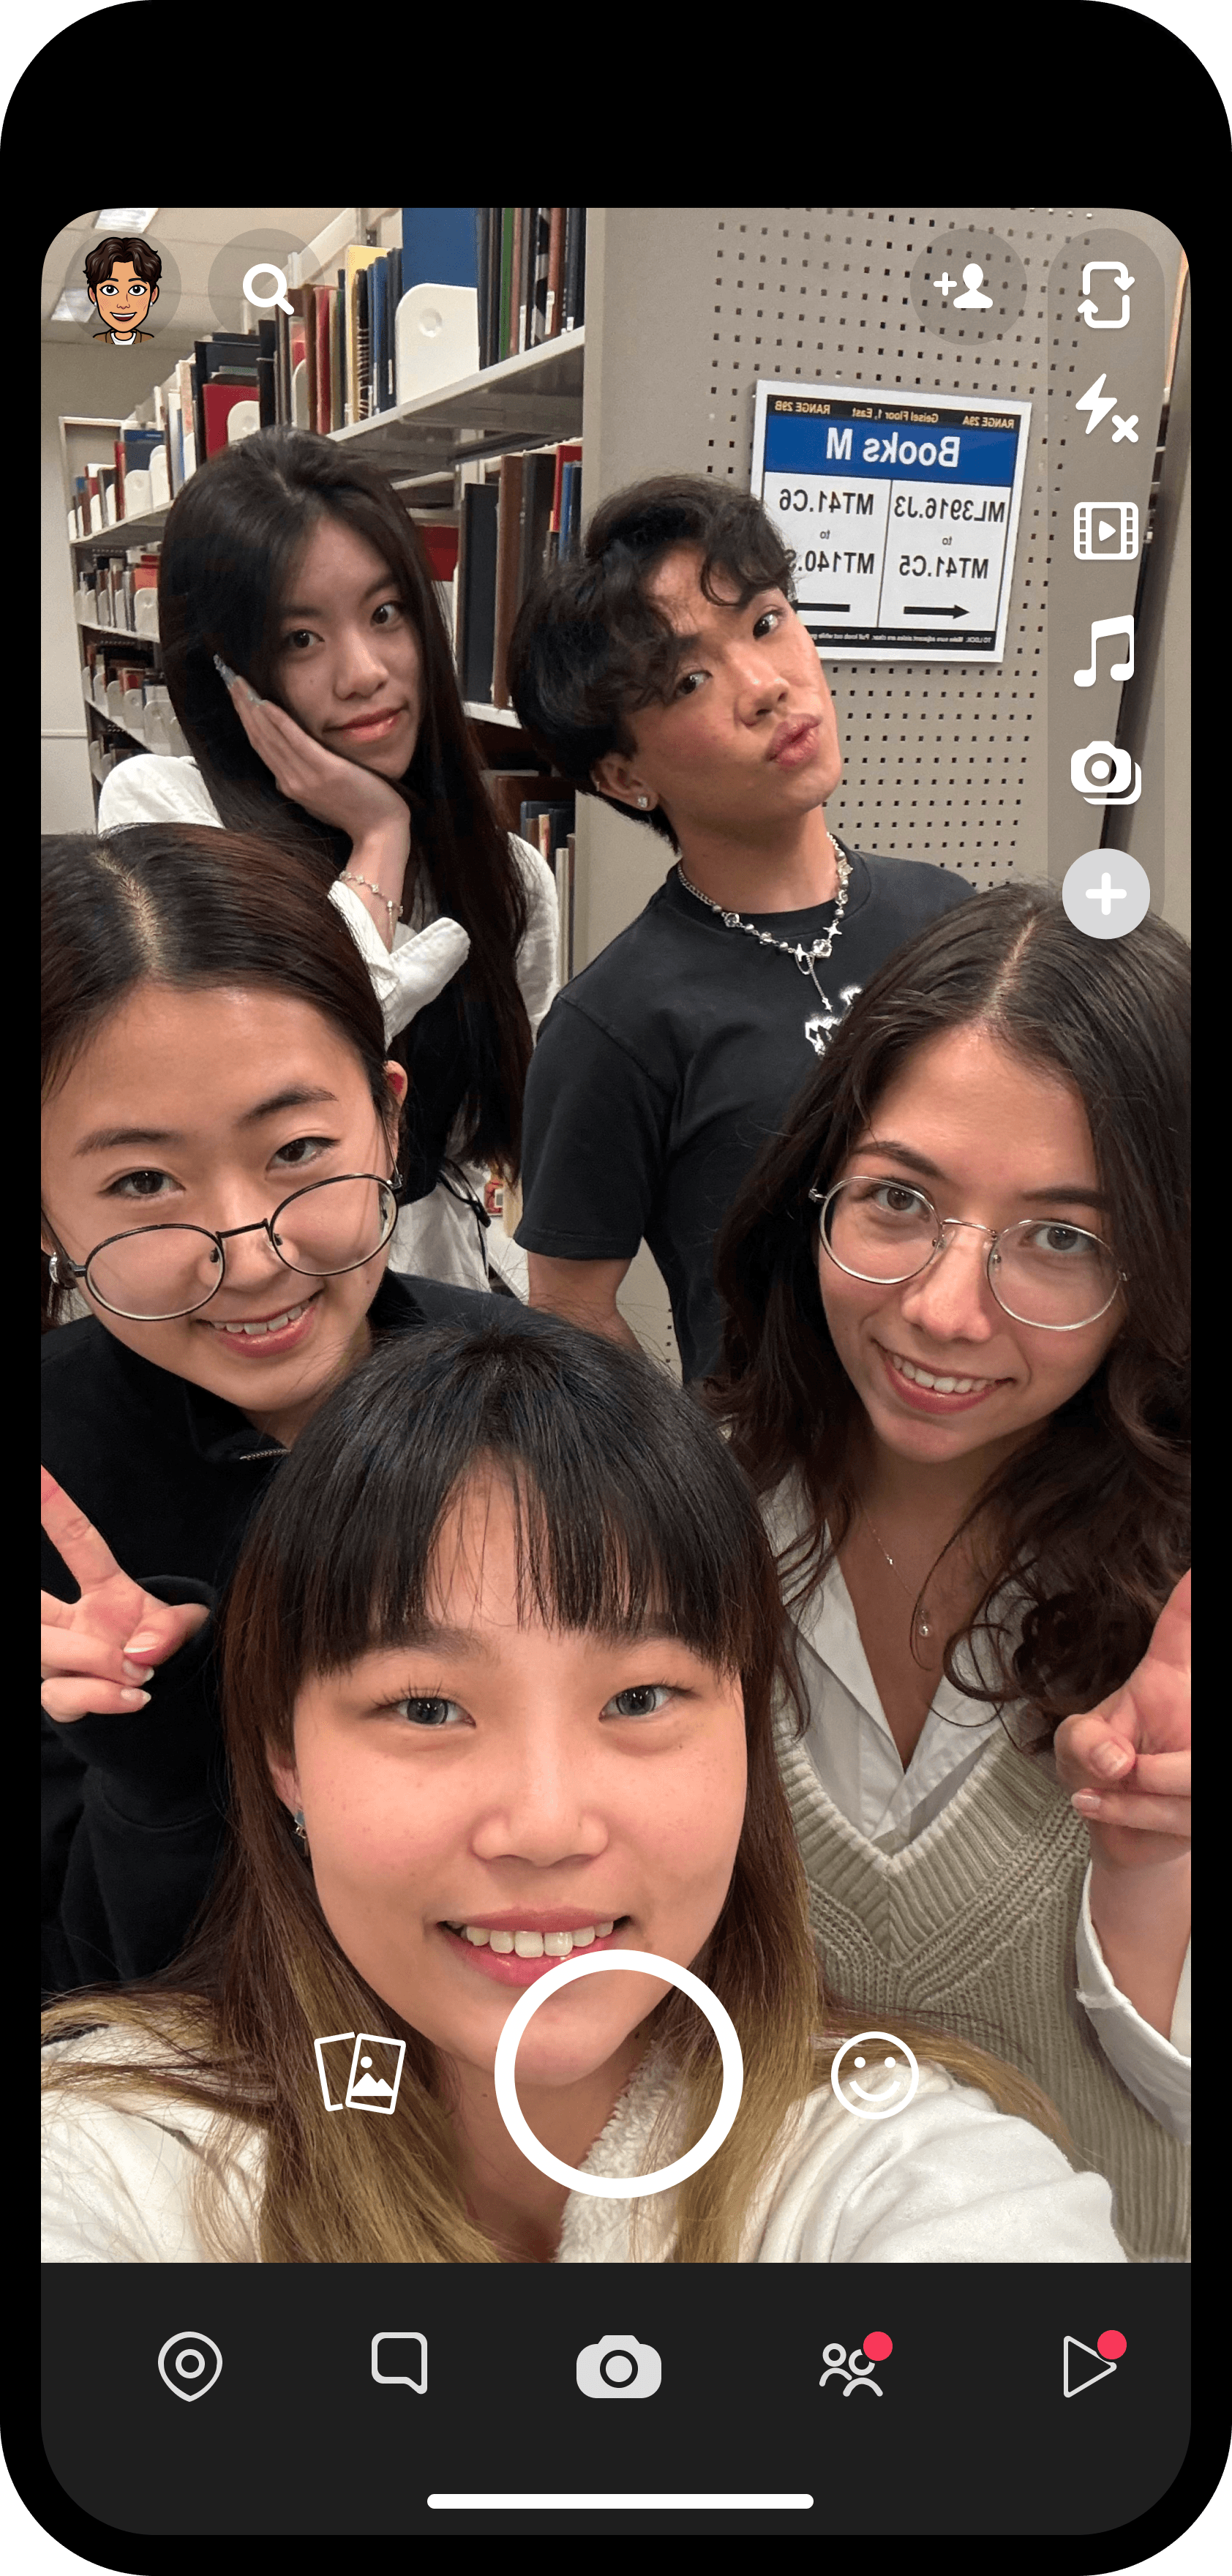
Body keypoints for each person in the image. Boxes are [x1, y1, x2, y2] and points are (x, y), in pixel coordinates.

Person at [41, 1320, 1125, 2266]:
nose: (546, 1827)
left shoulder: (897, 2163)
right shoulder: (116, 2159)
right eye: (427, 1707)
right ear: (286, 1756)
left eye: (640, 1698)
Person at [709, 881, 1190, 2261]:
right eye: (897, 1200)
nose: (942, 1308)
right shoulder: (679, 1525)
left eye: (1063, 1238)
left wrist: (1153, 1874)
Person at [41, 825, 553, 1998]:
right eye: (143, 1182)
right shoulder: (56, 1470)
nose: (251, 1253)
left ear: (390, 1120)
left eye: (298, 1150)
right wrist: (153, 1773)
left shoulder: (553, 1412)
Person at [506, 473, 973, 1382]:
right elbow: (569, 1306)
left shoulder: (948, 917)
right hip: (780, 1457)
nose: (765, 686)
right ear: (623, 777)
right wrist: (690, 1458)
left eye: (765, 622)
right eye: (688, 680)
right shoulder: (614, 1024)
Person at [96, 423, 558, 1293]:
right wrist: (378, 840)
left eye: (385, 614)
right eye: (300, 639)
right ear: (229, 675)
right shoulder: (167, 813)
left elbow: (481, 1144)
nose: (364, 672)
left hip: (437, 1294)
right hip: (251, 1281)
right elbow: (257, 1078)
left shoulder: (506, 876)